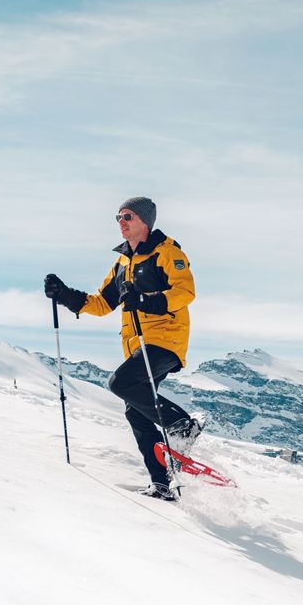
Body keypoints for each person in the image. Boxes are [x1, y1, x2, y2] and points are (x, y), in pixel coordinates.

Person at [44, 197, 205, 500]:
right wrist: (64, 294)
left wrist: (146, 301)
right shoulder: (122, 263)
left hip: (165, 339)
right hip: (136, 343)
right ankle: (163, 482)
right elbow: (102, 303)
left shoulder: (167, 252)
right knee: (136, 412)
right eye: (117, 217)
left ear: (144, 220)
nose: (121, 222)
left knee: (121, 383)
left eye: (127, 216)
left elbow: (185, 292)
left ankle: (182, 426)